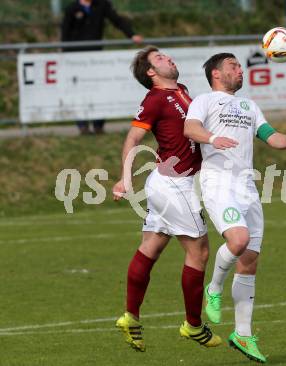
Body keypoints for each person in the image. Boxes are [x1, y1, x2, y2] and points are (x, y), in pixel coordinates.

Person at [184, 53, 286, 363]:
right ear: (216, 73)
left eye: (239, 66)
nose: (240, 70)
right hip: (218, 184)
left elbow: (269, 136)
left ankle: (243, 334)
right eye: (233, 66)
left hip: (247, 189)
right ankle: (214, 288)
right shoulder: (205, 100)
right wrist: (213, 137)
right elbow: (190, 128)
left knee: (249, 261)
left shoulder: (249, 106)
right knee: (237, 242)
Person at [112, 46, 221, 352]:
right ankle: (193, 325)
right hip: (176, 185)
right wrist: (124, 177)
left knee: (151, 246)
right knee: (198, 253)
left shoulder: (183, 91)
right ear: (150, 72)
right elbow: (133, 138)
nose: (168, 58)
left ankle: (130, 317)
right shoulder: (155, 99)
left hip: (170, 182)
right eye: (159, 58)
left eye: (166, 55)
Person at [61, 0, 143, 135]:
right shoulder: (72, 9)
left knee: (99, 89)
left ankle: (98, 125)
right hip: (76, 60)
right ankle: (82, 125)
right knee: (78, 91)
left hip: (95, 59)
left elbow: (117, 20)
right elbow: (65, 33)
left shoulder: (102, 5)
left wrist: (131, 34)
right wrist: (66, 56)